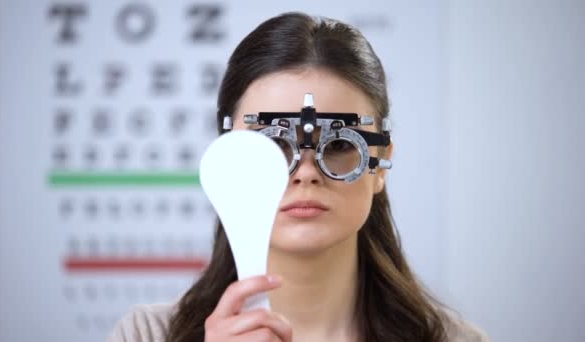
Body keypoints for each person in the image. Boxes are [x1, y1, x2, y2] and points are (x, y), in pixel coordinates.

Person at [107, 12, 488, 342]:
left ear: (380, 163)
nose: (306, 173)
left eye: (338, 146)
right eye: (273, 147)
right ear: (229, 164)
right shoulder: (146, 334)